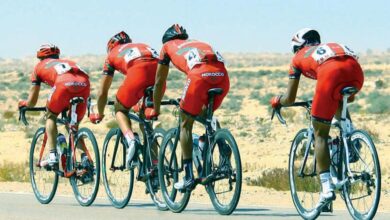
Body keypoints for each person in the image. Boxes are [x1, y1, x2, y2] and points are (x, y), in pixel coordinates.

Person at [270, 28, 364, 211]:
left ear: (299, 46)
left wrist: (277, 101)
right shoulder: (329, 46)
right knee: (340, 99)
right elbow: (347, 95)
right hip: (355, 72)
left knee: (320, 134)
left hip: (330, 74)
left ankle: (327, 188)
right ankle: (350, 137)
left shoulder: (298, 57)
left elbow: (289, 98)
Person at [152, 24, 230, 190]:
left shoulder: (166, 47)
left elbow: (159, 82)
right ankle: (219, 151)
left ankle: (188, 176)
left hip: (198, 77)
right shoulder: (197, 42)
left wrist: (156, 108)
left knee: (185, 123)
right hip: (222, 76)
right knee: (207, 116)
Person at [89, 31, 162, 168]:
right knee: (145, 119)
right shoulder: (142, 45)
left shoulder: (112, 55)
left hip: (137, 72)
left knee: (120, 109)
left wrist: (100, 112)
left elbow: (102, 92)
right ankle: (155, 165)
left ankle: (131, 140)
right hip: (159, 74)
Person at [19, 44, 90, 166]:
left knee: (51, 116)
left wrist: (23, 104)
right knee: (73, 125)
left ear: (40, 57)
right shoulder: (67, 61)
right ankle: (85, 159)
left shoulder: (39, 67)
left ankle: (52, 155)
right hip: (84, 84)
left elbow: (32, 101)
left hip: (63, 85)